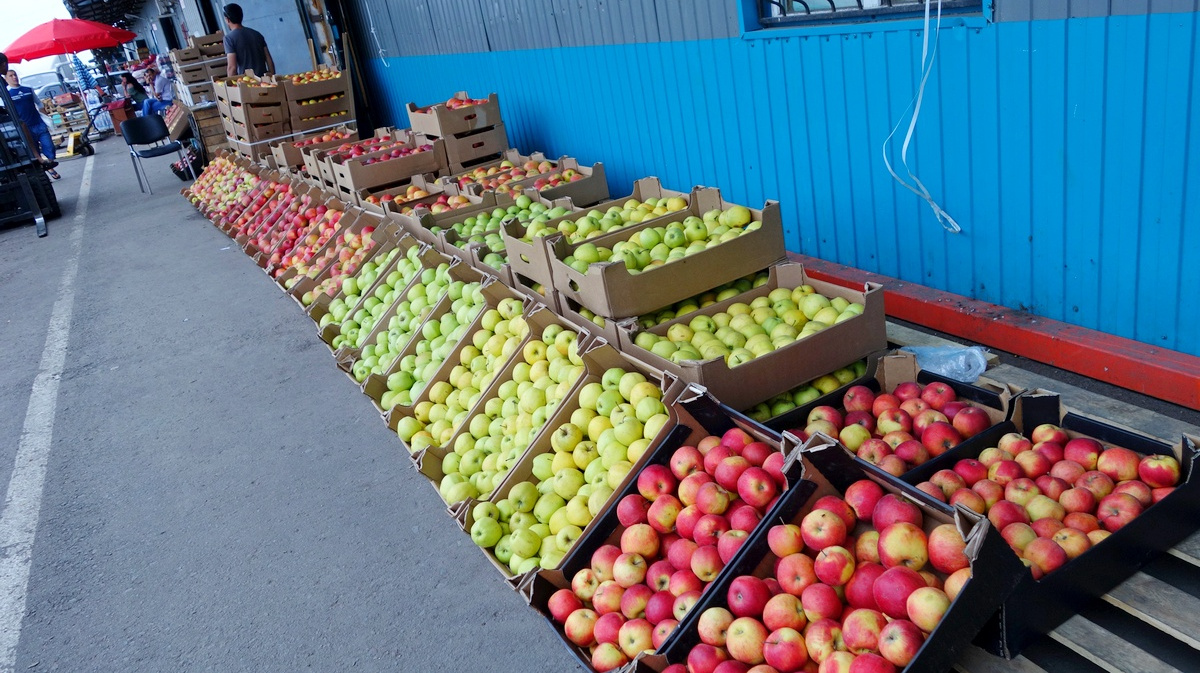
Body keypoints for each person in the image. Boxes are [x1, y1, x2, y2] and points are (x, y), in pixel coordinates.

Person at [4, 69, 60, 180]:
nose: (14, 77)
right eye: (10, 76)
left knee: (49, 146)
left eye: (15, 74)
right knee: (35, 152)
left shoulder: (27, 89)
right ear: (6, 79)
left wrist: (46, 117)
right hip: (25, 128)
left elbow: (38, 103)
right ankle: (48, 170)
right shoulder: (7, 94)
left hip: (38, 123)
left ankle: (49, 164)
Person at [223, 4, 274, 78]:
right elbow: (268, 59)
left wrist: (230, 86)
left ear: (227, 19)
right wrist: (272, 77)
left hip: (247, 83)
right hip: (264, 80)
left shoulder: (229, 39)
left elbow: (232, 68)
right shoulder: (257, 34)